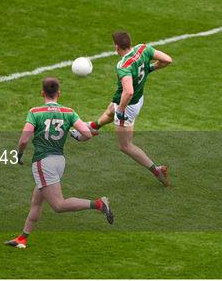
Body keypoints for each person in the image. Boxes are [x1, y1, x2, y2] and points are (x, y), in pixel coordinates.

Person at [5, 77, 114, 249]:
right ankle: (22, 238)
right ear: (59, 93)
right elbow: (87, 134)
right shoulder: (69, 112)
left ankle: (99, 204)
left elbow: (24, 139)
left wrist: (18, 154)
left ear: (42, 93)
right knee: (37, 200)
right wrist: (74, 135)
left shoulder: (35, 112)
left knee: (58, 205)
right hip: (59, 161)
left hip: (43, 162)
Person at [71, 31, 173, 187]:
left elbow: (129, 91)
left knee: (125, 146)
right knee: (110, 111)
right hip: (137, 99)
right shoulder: (143, 49)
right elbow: (167, 60)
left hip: (127, 105)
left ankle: (156, 170)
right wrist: (150, 68)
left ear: (117, 46)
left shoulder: (123, 65)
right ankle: (92, 128)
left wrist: (121, 110)